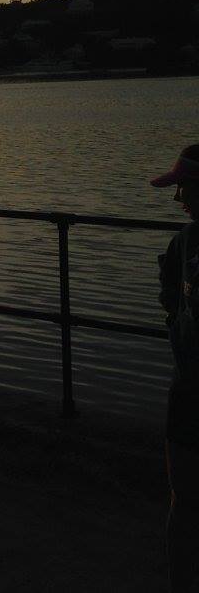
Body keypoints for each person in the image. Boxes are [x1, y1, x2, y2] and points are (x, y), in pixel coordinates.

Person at [153, 144, 199, 591]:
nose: (178, 197)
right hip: (187, 391)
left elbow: (170, 298)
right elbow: (170, 296)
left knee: (184, 503)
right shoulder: (183, 241)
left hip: (188, 390)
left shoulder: (183, 243)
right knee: (184, 501)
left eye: (183, 186)